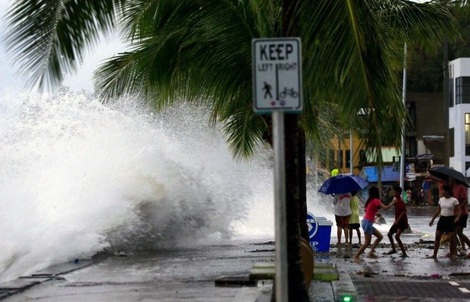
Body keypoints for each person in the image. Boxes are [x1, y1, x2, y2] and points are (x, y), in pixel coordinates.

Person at [354, 186, 392, 261]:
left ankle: (371, 252)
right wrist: (393, 202)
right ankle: (356, 257)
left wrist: (375, 214)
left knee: (380, 236)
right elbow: (386, 208)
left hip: (366, 222)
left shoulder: (370, 201)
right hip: (367, 223)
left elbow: (367, 210)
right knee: (367, 242)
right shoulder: (376, 200)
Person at [427, 184, 461, 259]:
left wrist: (457, 218)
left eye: (443, 190)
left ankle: (452, 254)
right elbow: (438, 210)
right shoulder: (441, 199)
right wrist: (432, 219)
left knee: (451, 238)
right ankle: (434, 254)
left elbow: (460, 210)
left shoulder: (454, 200)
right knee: (437, 236)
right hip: (442, 219)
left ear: (448, 191)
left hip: (450, 219)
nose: (442, 192)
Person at [448, 177, 470, 256]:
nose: (449, 181)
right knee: (453, 233)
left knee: (459, 232)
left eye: (450, 179)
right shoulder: (453, 188)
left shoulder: (461, 187)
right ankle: (454, 252)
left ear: (453, 179)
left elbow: (465, 200)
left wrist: (459, 207)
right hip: (454, 214)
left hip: (463, 213)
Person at [385, 186, 408, 258]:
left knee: (397, 236)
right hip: (397, 221)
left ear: (398, 193)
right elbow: (390, 205)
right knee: (389, 234)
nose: (393, 193)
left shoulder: (401, 201)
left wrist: (397, 220)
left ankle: (404, 253)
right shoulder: (396, 200)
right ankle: (394, 249)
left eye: (394, 192)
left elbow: (403, 211)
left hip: (401, 221)